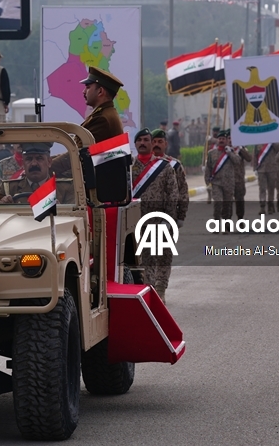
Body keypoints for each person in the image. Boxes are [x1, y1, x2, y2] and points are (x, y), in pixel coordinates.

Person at [49, 66, 125, 177]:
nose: (84, 91)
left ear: (100, 91)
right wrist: (48, 161)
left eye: (88, 87)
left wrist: (48, 168)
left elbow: (78, 153)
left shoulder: (102, 119)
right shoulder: (103, 114)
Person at [131, 129, 179, 302]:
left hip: (157, 220)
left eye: (146, 140)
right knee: (139, 261)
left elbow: (173, 194)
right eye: (139, 140)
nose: (143, 143)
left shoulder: (164, 167)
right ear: (135, 144)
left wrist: (170, 220)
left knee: (152, 259)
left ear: (152, 143)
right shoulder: (128, 167)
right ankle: (146, 293)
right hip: (134, 221)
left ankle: (156, 293)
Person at [0, 143, 73, 204]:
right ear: (23, 164)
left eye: (39, 158)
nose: (34, 163)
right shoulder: (8, 189)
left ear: (49, 162)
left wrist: (60, 211)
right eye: (29, 159)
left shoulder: (66, 189)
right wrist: (2, 207)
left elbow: (73, 220)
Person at [151, 129, 189, 227]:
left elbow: (183, 191)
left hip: (168, 215)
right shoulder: (141, 165)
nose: (156, 145)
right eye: (154, 142)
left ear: (166, 144)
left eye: (160, 142)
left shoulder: (174, 164)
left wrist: (181, 216)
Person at [204, 130, 240, 220]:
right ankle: (216, 221)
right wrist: (207, 181)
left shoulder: (231, 151)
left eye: (223, 139)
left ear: (227, 140)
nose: (221, 140)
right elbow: (208, 168)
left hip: (229, 183)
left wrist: (229, 153)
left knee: (227, 205)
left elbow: (237, 162)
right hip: (217, 183)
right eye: (220, 139)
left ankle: (226, 225)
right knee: (218, 202)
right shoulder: (211, 153)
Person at [227, 130, 252, 219]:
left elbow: (249, 158)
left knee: (240, 201)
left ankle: (240, 218)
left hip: (239, 180)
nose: (230, 140)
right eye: (229, 138)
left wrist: (241, 148)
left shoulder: (240, 150)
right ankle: (227, 221)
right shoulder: (224, 151)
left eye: (232, 138)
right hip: (226, 180)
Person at [254, 140, 279, 214]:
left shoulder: (273, 143)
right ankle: (262, 207)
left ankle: (270, 205)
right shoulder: (258, 143)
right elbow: (255, 156)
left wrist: (273, 142)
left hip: (272, 169)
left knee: (271, 188)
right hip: (261, 169)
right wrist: (255, 168)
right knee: (262, 189)